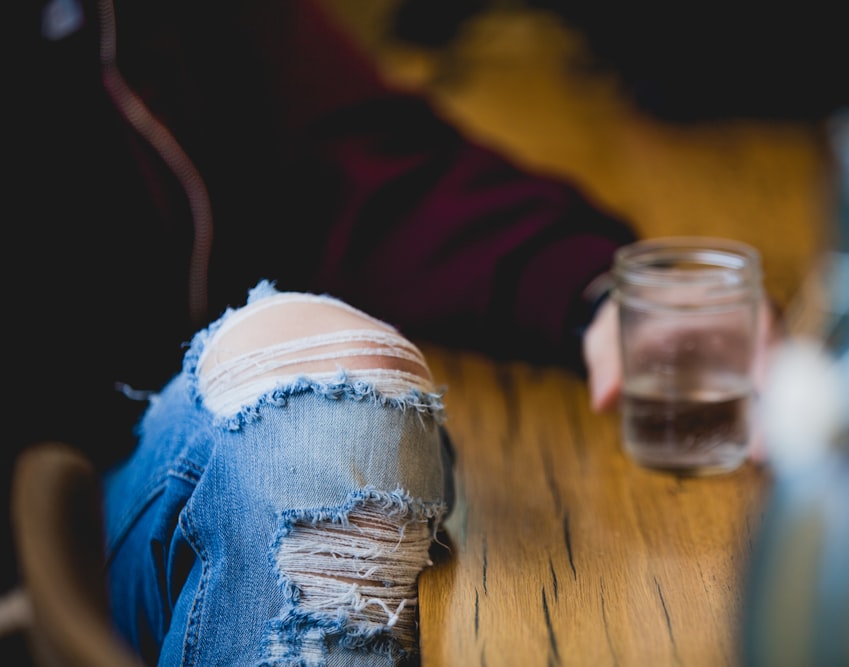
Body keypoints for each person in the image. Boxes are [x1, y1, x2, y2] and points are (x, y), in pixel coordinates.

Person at [7, 0, 636, 664]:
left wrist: (597, 290)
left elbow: (360, 169)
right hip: (41, 534)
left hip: (147, 474)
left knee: (331, 404)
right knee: (317, 421)